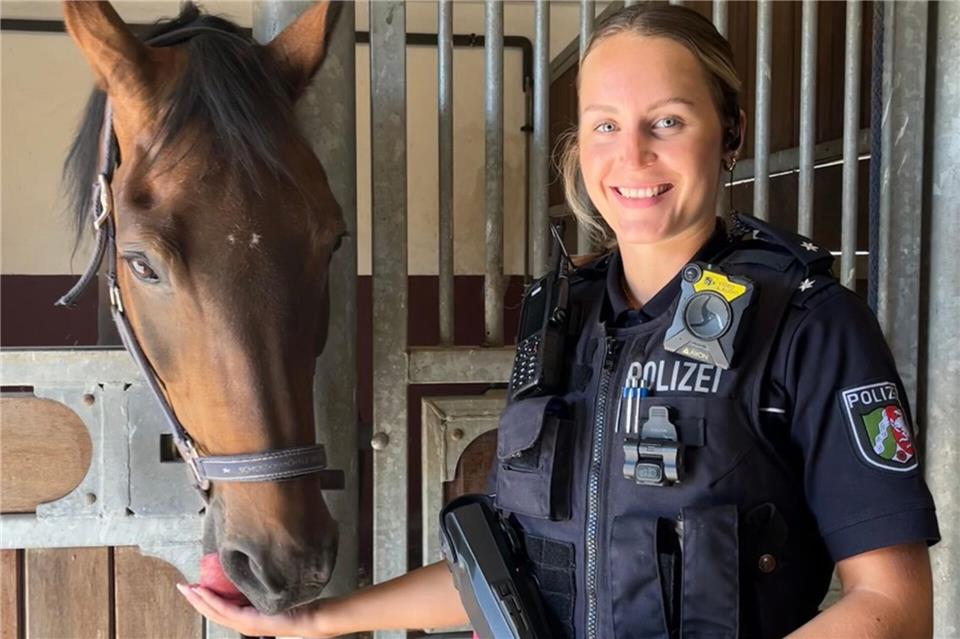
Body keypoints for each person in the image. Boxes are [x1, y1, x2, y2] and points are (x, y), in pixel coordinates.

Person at [178, 4, 939, 637]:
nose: (631, 155)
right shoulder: (564, 322)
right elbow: (518, 571)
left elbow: (892, 605)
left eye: (667, 120)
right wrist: (318, 621)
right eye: (605, 125)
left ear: (730, 133)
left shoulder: (811, 325)